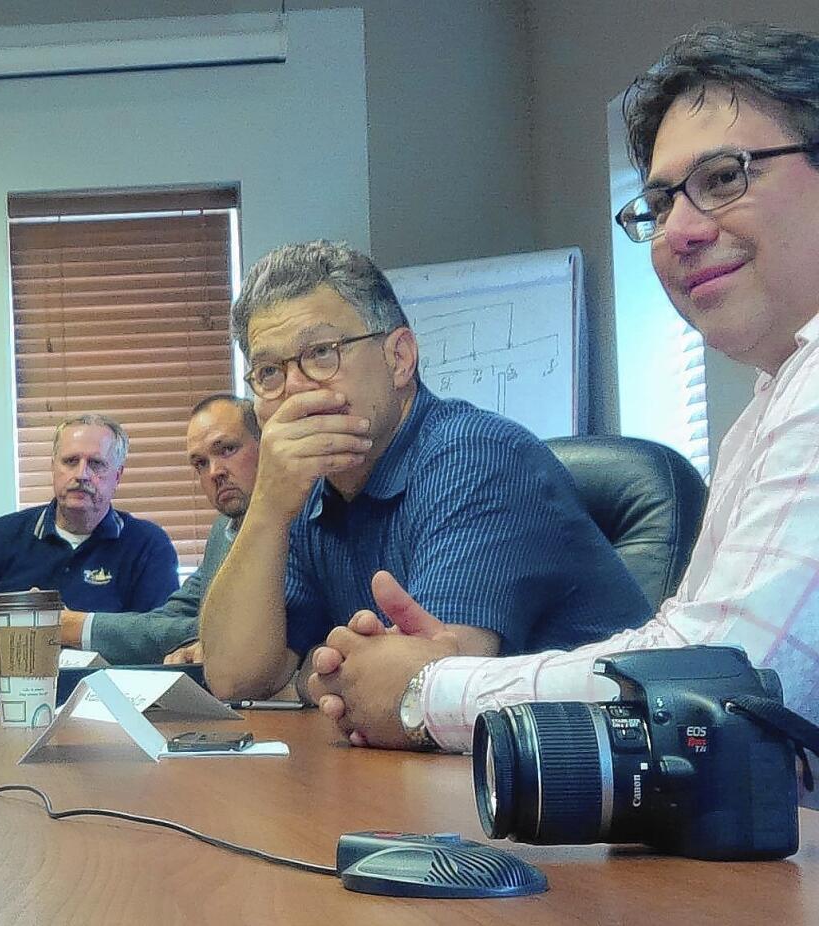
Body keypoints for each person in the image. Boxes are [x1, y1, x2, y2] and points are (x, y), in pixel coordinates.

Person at [307, 24, 819, 783]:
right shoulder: (772, 399)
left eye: (723, 178)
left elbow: (731, 689)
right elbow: (692, 642)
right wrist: (417, 669)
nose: (676, 230)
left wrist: (423, 691)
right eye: (658, 202)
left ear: (400, 354)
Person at [201, 240, 652, 701]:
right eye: (269, 372)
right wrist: (268, 508)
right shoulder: (305, 489)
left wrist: (304, 679)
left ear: (398, 358)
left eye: (321, 353)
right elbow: (236, 680)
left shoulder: (479, 458)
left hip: (605, 756)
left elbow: (420, 690)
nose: (293, 389)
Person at [0, 413, 179, 649]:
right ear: (53, 467)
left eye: (96, 464)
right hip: (5, 689)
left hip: (106, 691)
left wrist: (63, 628)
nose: (82, 474)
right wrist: (7, 648)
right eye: (70, 461)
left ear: (118, 476)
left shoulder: (149, 545)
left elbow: (160, 638)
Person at [59, 395, 260, 664]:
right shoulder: (223, 529)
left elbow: (244, 632)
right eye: (200, 463)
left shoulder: (298, 522)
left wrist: (74, 626)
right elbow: (170, 620)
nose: (214, 472)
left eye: (227, 450)